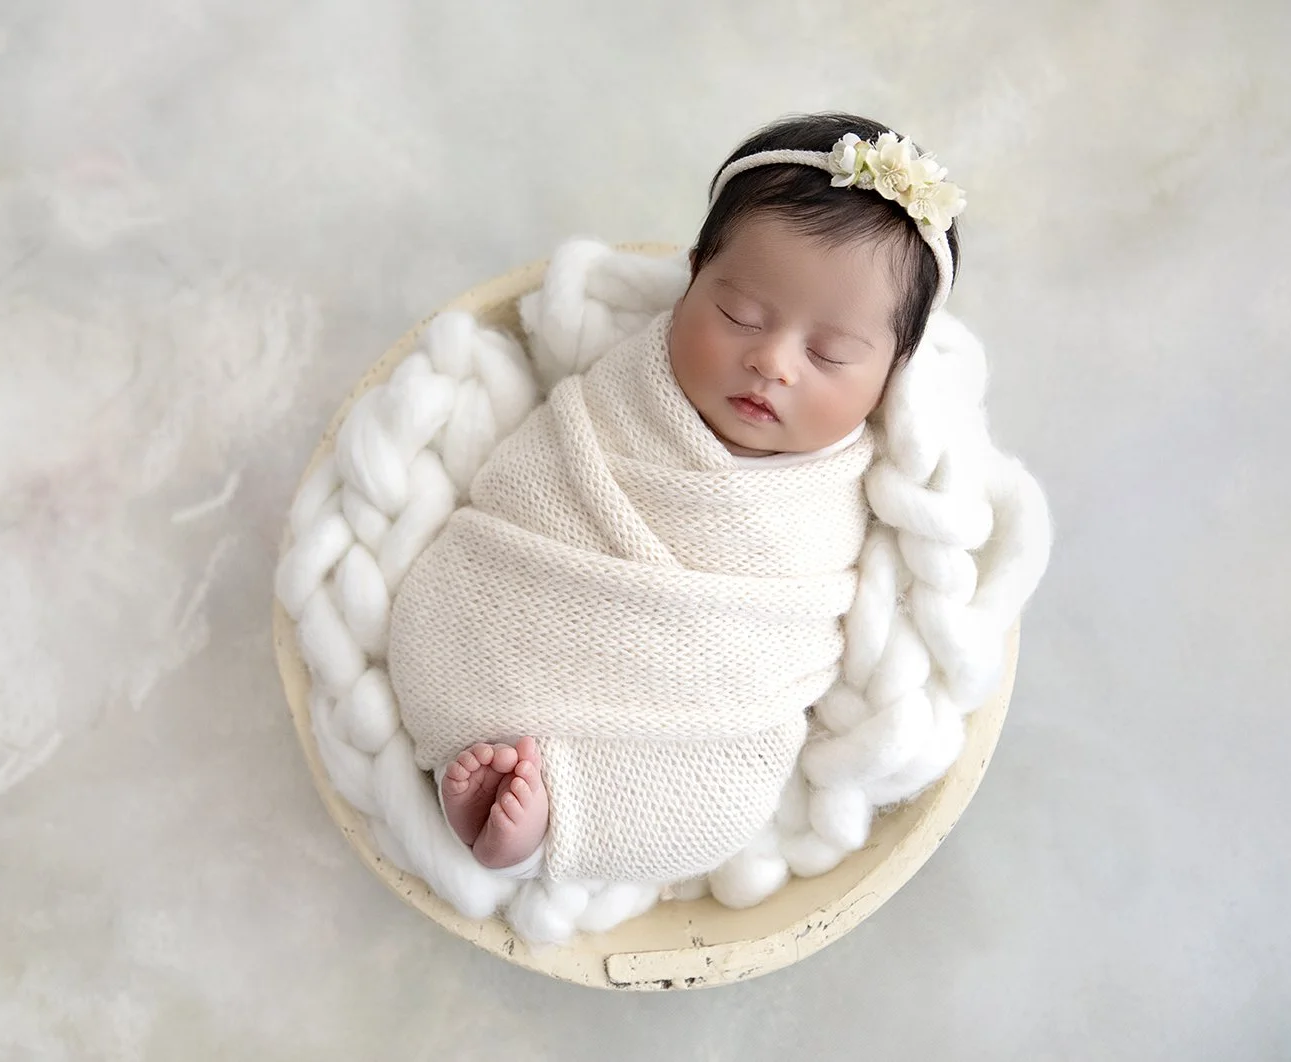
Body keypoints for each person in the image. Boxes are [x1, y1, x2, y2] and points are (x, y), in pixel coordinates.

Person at [388, 111, 965, 880]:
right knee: (453, 620)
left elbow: (798, 635)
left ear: (893, 371)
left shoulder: (841, 488)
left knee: (723, 803)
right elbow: (524, 493)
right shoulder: (627, 392)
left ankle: (543, 824)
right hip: (523, 612)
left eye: (829, 353)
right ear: (692, 277)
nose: (771, 362)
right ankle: (493, 772)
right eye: (738, 315)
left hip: (697, 708)